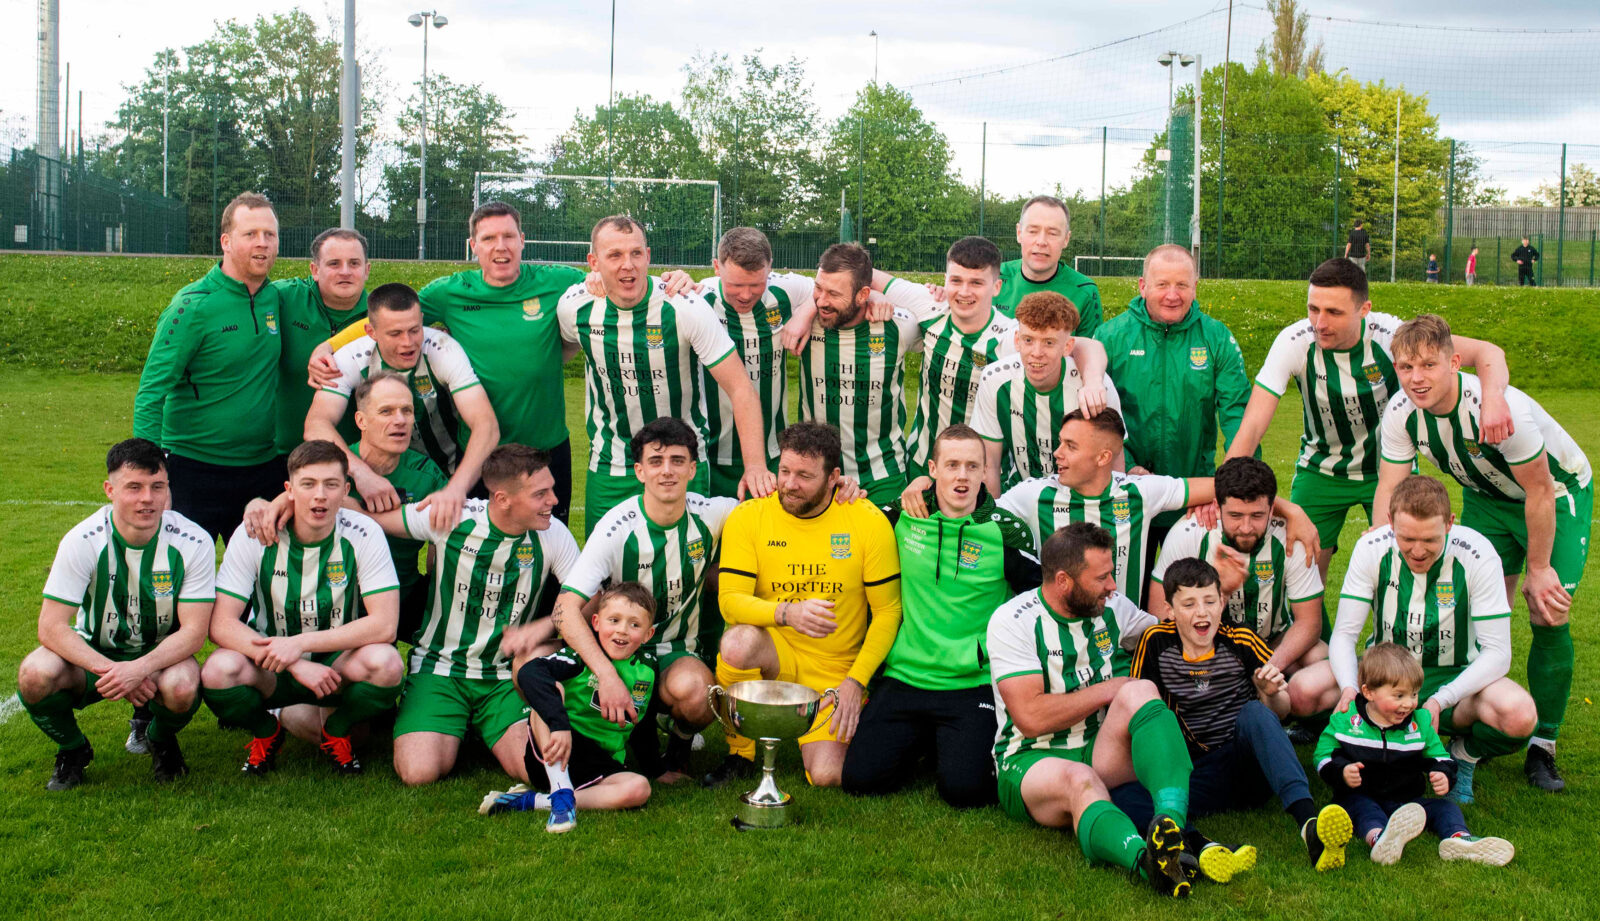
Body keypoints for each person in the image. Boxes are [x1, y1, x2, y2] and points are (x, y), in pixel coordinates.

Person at [248, 444, 582, 785]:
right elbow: (367, 516)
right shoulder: (453, 517)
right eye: (541, 494)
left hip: (503, 675)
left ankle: (481, 726)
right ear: (503, 498)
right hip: (440, 668)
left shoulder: (554, 534)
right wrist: (284, 500)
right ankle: (460, 725)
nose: (554, 500)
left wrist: (543, 627)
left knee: (533, 769)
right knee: (418, 773)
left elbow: (588, 597)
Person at [1375, 314, 1591, 791]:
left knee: (1547, 609)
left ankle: (1543, 744)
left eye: (1428, 365)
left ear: (1454, 363)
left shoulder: (1494, 408)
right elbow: (1389, 489)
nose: (1416, 378)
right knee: (1469, 613)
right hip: (1486, 499)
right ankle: (1470, 728)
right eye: (1406, 367)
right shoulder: (1400, 412)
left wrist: (1539, 568)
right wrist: (1379, 551)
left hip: (1556, 496)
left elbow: (1540, 490)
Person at [1226, 257, 1511, 580]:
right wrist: (1222, 488)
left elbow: (1489, 353)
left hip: (1390, 468)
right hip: (1321, 470)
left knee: (1397, 570)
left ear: (1364, 310)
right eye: (1313, 309)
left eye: (1334, 312)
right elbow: (1252, 426)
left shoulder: (1391, 336)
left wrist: (1493, 399)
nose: (1319, 323)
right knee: (1302, 573)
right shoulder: (1295, 341)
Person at [1288, 476, 1539, 805]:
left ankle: (1463, 754)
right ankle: (1354, 739)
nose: (1418, 551)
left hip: (1452, 676)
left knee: (1519, 715)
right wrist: (1350, 687)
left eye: (1430, 539)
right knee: (1302, 691)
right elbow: (1345, 635)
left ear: (1449, 524)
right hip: (1383, 674)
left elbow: (1498, 654)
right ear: (1390, 523)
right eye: (1407, 538)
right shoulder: (1372, 547)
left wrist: (1440, 700)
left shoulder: (1478, 554)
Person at [986, 522, 1193, 898]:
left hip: (1099, 747)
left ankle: (1170, 828)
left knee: (1141, 690)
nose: (1112, 585)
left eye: (1111, 573)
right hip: (1032, 758)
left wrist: (1210, 596)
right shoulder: (1013, 621)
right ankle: (1145, 862)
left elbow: (1169, 636)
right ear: (1063, 581)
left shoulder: (1113, 607)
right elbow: (1030, 718)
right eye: (1101, 578)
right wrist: (1106, 689)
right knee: (1079, 779)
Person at [840, 424, 1038, 807]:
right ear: (932, 469)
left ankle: (947, 744)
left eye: (972, 466)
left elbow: (1040, 599)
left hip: (971, 682)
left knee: (965, 792)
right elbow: (848, 521)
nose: (962, 476)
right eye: (952, 465)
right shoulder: (900, 516)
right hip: (905, 676)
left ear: (985, 472)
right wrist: (845, 489)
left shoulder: (1006, 532)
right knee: (860, 781)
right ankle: (929, 740)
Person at [1118, 559, 1353, 874]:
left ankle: (1309, 824)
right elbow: (1141, 708)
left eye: (1209, 601)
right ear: (1170, 611)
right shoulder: (1155, 642)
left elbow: (1282, 711)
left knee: (1255, 712)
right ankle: (1201, 845)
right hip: (1192, 773)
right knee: (1121, 797)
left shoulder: (1241, 639)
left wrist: (1270, 693)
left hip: (1248, 769)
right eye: (1189, 604)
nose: (1202, 612)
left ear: (1222, 602)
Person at [705, 422, 903, 789]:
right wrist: (787, 613)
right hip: (775, 654)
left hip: (833, 671)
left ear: (833, 478)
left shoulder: (868, 521)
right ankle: (740, 753)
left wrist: (855, 682)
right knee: (737, 642)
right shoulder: (750, 516)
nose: (789, 484)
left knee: (827, 775)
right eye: (784, 471)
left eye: (804, 476)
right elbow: (730, 603)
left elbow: (889, 611)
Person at [558, 214, 774, 536]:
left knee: (688, 563)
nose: (627, 265)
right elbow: (558, 353)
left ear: (648, 256)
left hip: (682, 463)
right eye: (614, 255)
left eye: (635, 253)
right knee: (606, 565)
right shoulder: (574, 308)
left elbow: (740, 387)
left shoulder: (684, 306)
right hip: (611, 465)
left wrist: (755, 466)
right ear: (594, 262)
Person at [18, 439, 214, 790]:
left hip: (160, 655)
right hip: (95, 652)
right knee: (34, 674)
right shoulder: (83, 540)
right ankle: (73, 749)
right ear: (110, 490)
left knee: (182, 687)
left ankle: (159, 738)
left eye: (157, 487)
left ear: (168, 488)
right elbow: (51, 627)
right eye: (134, 487)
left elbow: (194, 633)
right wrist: (115, 671)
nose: (147, 499)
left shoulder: (194, 540)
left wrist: (139, 669)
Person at [552, 418, 738, 781]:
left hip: (674, 652)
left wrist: (839, 488)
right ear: (639, 471)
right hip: (620, 652)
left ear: (692, 469)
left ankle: (679, 743)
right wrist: (606, 673)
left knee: (700, 695)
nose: (667, 471)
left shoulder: (713, 513)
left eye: (677, 461)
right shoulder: (615, 528)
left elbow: (779, 507)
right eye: (656, 461)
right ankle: (596, 738)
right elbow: (564, 609)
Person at [202, 440, 402, 776]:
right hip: (270, 664)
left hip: (337, 665)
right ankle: (267, 731)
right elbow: (220, 624)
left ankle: (337, 729)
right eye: (308, 484)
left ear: (346, 491)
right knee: (217, 671)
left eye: (331, 485)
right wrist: (293, 661)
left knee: (387, 663)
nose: (319, 495)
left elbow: (385, 624)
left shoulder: (363, 532)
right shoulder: (255, 534)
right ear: (289, 490)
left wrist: (299, 644)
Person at [993, 408, 1318, 613]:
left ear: (1103, 457)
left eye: (1070, 446)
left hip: (1126, 637)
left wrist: (1290, 510)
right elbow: (981, 517)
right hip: (1056, 634)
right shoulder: (1032, 495)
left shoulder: (1140, 492)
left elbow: (1231, 489)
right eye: (1061, 442)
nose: (1057, 453)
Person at [133, 192, 284, 544]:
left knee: (260, 576)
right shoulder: (191, 307)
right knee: (180, 575)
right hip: (192, 469)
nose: (262, 243)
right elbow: (151, 393)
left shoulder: (276, 298)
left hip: (260, 470)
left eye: (270, 234)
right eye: (250, 234)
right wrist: (151, 477)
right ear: (226, 242)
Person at [307, 282, 499, 532]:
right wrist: (362, 474)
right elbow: (316, 424)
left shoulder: (442, 348)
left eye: (414, 330)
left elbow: (486, 426)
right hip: (386, 468)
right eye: (395, 333)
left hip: (453, 463)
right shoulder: (351, 357)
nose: (408, 342)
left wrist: (456, 489)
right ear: (371, 332)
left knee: (452, 545)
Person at [1314, 643, 1515, 867]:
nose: (1409, 703)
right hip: (1360, 795)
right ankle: (1379, 839)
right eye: (1399, 695)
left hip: (1407, 803)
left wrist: (1443, 774)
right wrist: (1341, 771)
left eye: (1414, 694)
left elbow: (1441, 757)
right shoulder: (1346, 721)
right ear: (1369, 692)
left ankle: (1459, 839)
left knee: (1446, 808)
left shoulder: (1420, 725)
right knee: (1363, 809)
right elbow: (1323, 755)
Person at [480, 583, 658, 832]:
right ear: (596, 623)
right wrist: (559, 725)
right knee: (551, 689)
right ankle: (561, 788)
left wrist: (656, 768)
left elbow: (643, 721)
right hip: (556, 748)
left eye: (634, 625)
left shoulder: (648, 669)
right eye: (614, 620)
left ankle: (537, 801)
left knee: (639, 789)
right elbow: (530, 671)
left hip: (602, 761)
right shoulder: (580, 656)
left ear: (648, 634)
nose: (622, 630)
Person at [1148, 457, 1325, 676]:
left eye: (1257, 515)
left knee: (1320, 660)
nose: (1246, 527)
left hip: (1272, 643)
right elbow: (1160, 617)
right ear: (1217, 507)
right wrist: (1220, 590)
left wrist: (1269, 670)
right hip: (1205, 646)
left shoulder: (1290, 537)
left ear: (1272, 510)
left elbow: (1309, 623)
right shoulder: (1188, 533)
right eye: (1235, 515)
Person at [1095, 244, 1250, 488]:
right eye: (1162, 284)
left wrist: (1237, 478)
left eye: (1182, 285)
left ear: (1194, 288)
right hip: (1126, 483)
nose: (1172, 295)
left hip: (1193, 488)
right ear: (1143, 286)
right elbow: (1095, 415)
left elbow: (1238, 414)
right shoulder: (1110, 337)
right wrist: (1126, 464)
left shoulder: (1217, 337)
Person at [797, 242, 932, 505]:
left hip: (883, 474)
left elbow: (945, 315)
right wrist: (803, 312)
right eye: (818, 288)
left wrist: (937, 290)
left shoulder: (899, 326)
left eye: (834, 293)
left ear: (863, 295)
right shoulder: (804, 322)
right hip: (818, 472)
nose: (821, 301)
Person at [885, 236, 1019, 481]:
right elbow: (862, 275)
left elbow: (1071, 347)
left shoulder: (1011, 337)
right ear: (945, 280)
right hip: (923, 464)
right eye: (956, 280)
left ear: (996, 287)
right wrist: (877, 298)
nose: (964, 292)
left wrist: (1092, 374)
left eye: (976, 283)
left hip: (983, 474)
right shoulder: (931, 306)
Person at [698, 226, 817, 497]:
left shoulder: (784, 290)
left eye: (755, 285)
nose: (745, 294)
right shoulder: (698, 298)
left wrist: (804, 313)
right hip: (709, 455)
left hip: (773, 453)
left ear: (769, 268)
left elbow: (830, 288)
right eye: (736, 285)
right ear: (716, 267)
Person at [971, 291, 1119, 495]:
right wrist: (994, 513)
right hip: (1020, 496)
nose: (1037, 352)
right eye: (1028, 340)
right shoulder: (995, 379)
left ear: (1068, 346)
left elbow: (1115, 463)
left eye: (1049, 342)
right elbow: (989, 465)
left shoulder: (1095, 385)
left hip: (1080, 500)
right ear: (1017, 340)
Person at [343, 373, 449, 644]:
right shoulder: (333, 467)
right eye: (386, 411)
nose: (400, 420)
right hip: (336, 602)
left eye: (407, 411)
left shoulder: (427, 475)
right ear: (361, 421)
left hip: (403, 597)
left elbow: (441, 551)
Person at [272, 228, 370, 464]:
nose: (345, 271)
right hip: (277, 455)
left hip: (349, 459)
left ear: (367, 270)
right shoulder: (283, 298)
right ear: (315, 270)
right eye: (334, 263)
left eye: (354, 263)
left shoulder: (379, 315)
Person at [993, 195, 1102, 336]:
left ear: (1066, 239)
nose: (1041, 241)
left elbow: (1091, 348)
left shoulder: (1085, 291)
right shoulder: (992, 278)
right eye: (1033, 231)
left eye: (1052, 233)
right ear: (1019, 233)